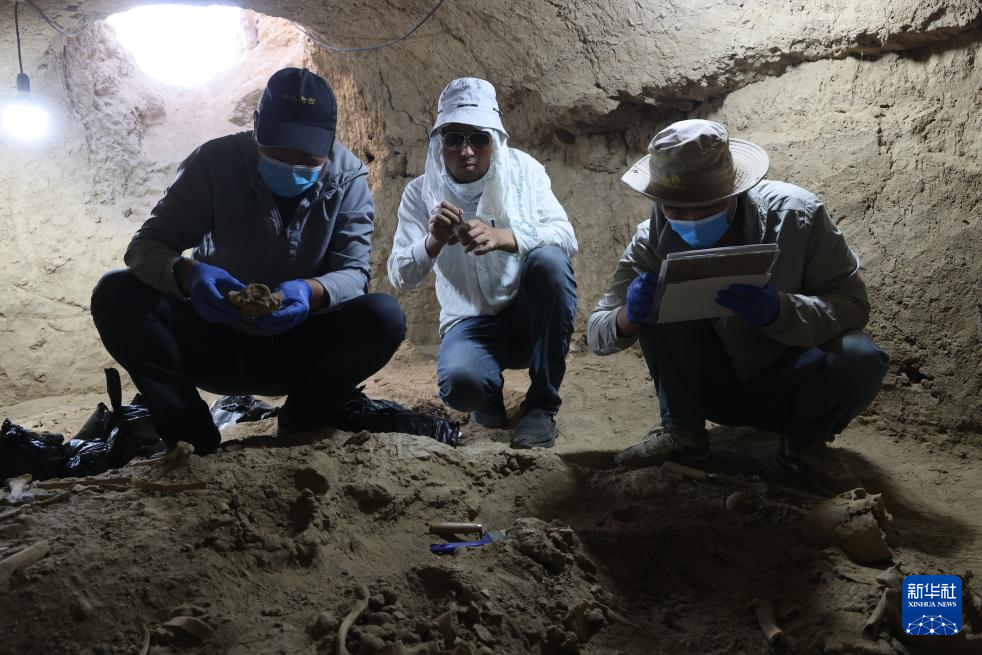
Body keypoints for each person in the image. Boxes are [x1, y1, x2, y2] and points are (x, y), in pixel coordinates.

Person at [90, 67, 405, 456]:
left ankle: (302, 422)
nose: (292, 163)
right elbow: (145, 247)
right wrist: (188, 274)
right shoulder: (214, 163)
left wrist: (308, 292)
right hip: (215, 339)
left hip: (297, 345)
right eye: (278, 150)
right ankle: (190, 435)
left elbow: (354, 274)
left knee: (383, 316)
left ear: (329, 140)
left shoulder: (347, 177)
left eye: (308, 155)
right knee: (116, 293)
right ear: (256, 125)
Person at [586, 119, 889, 494]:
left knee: (861, 356)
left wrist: (781, 310)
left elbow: (853, 304)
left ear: (734, 190)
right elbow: (597, 333)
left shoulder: (797, 216)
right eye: (676, 209)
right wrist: (628, 316)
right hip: (708, 388)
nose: (692, 220)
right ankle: (683, 433)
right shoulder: (650, 241)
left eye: (707, 207)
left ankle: (803, 446)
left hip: (790, 382)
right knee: (657, 301)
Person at [388, 78, 578, 449]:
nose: (467, 151)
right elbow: (399, 276)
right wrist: (432, 242)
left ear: (495, 140)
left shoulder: (525, 172)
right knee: (463, 385)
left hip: (528, 318)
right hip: (470, 322)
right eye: (454, 139)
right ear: (439, 142)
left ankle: (542, 406)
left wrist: (506, 237)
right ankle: (486, 395)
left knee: (550, 262)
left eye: (479, 139)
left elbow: (566, 236)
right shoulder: (420, 193)